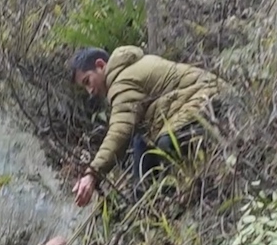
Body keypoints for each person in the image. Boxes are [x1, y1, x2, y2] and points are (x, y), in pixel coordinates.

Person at [69, 45, 220, 204]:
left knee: (166, 144)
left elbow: (120, 131)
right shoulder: (130, 68)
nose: (90, 91)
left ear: (100, 65)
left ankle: (189, 192)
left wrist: (92, 174)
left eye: (88, 81)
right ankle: (146, 201)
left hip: (209, 99)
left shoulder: (122, 81)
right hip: (206, 95)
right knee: (141, 143)